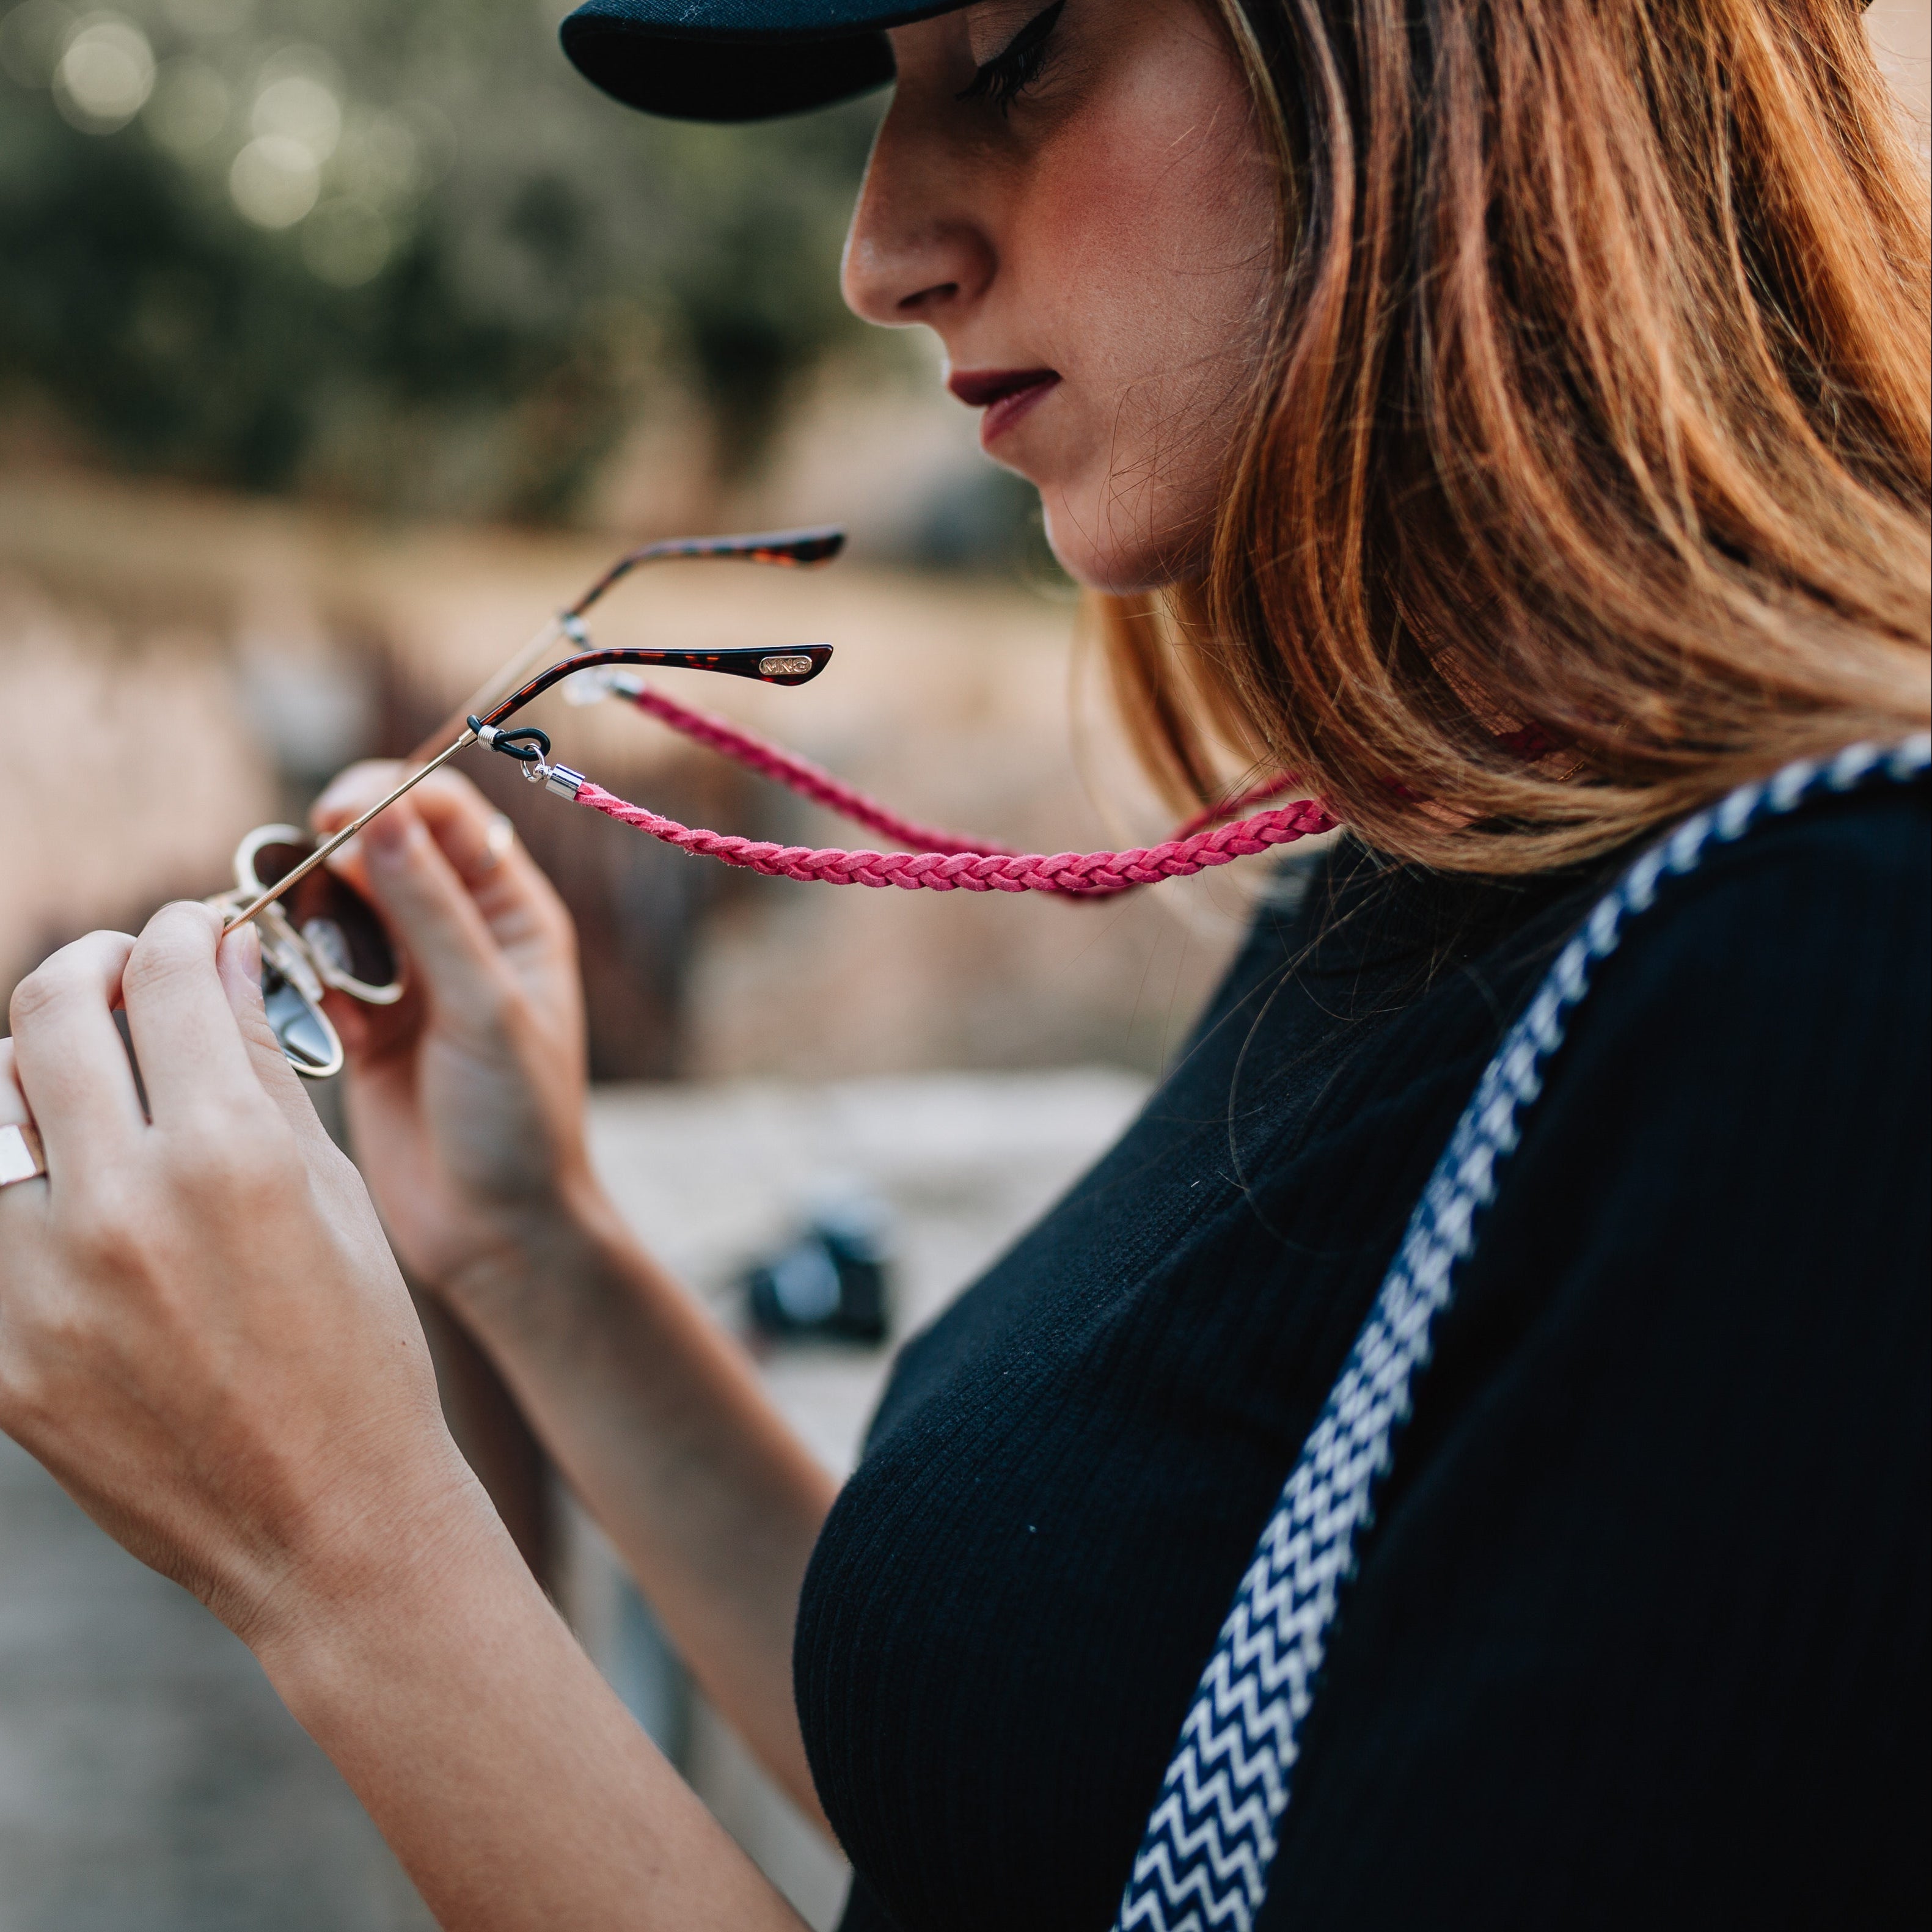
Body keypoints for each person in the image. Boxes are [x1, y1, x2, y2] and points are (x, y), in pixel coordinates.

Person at [1, 0, 1925, 1925]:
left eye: (1013, 57)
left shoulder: (1837, 988)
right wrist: (532, 1246)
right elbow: (1036, 1791)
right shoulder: (1458, 844)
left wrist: (334, 1545)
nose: (878, 249)